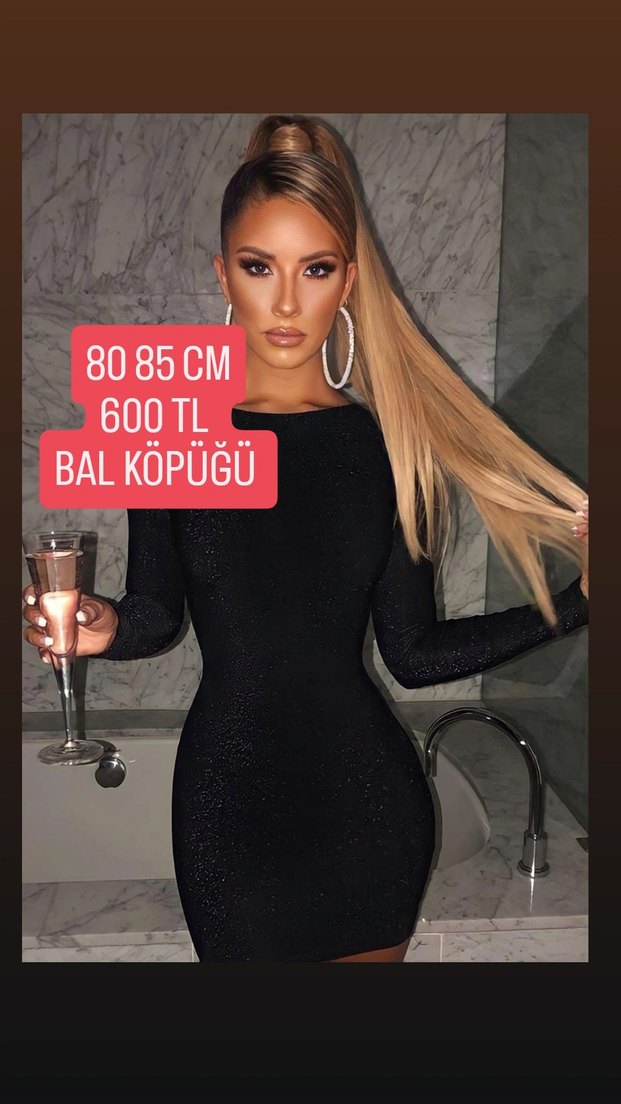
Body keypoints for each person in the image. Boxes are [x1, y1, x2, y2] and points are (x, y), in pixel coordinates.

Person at [23, 114, 589, 963]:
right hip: (228, 810)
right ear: (222, 272)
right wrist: (104, 625)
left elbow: (413, 654)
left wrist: (579, 602)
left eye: (315, 269)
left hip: (369, 810)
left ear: (347, 280)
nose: (286, 302)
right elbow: (155, 614)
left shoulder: (392, 449)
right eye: (259, 266)